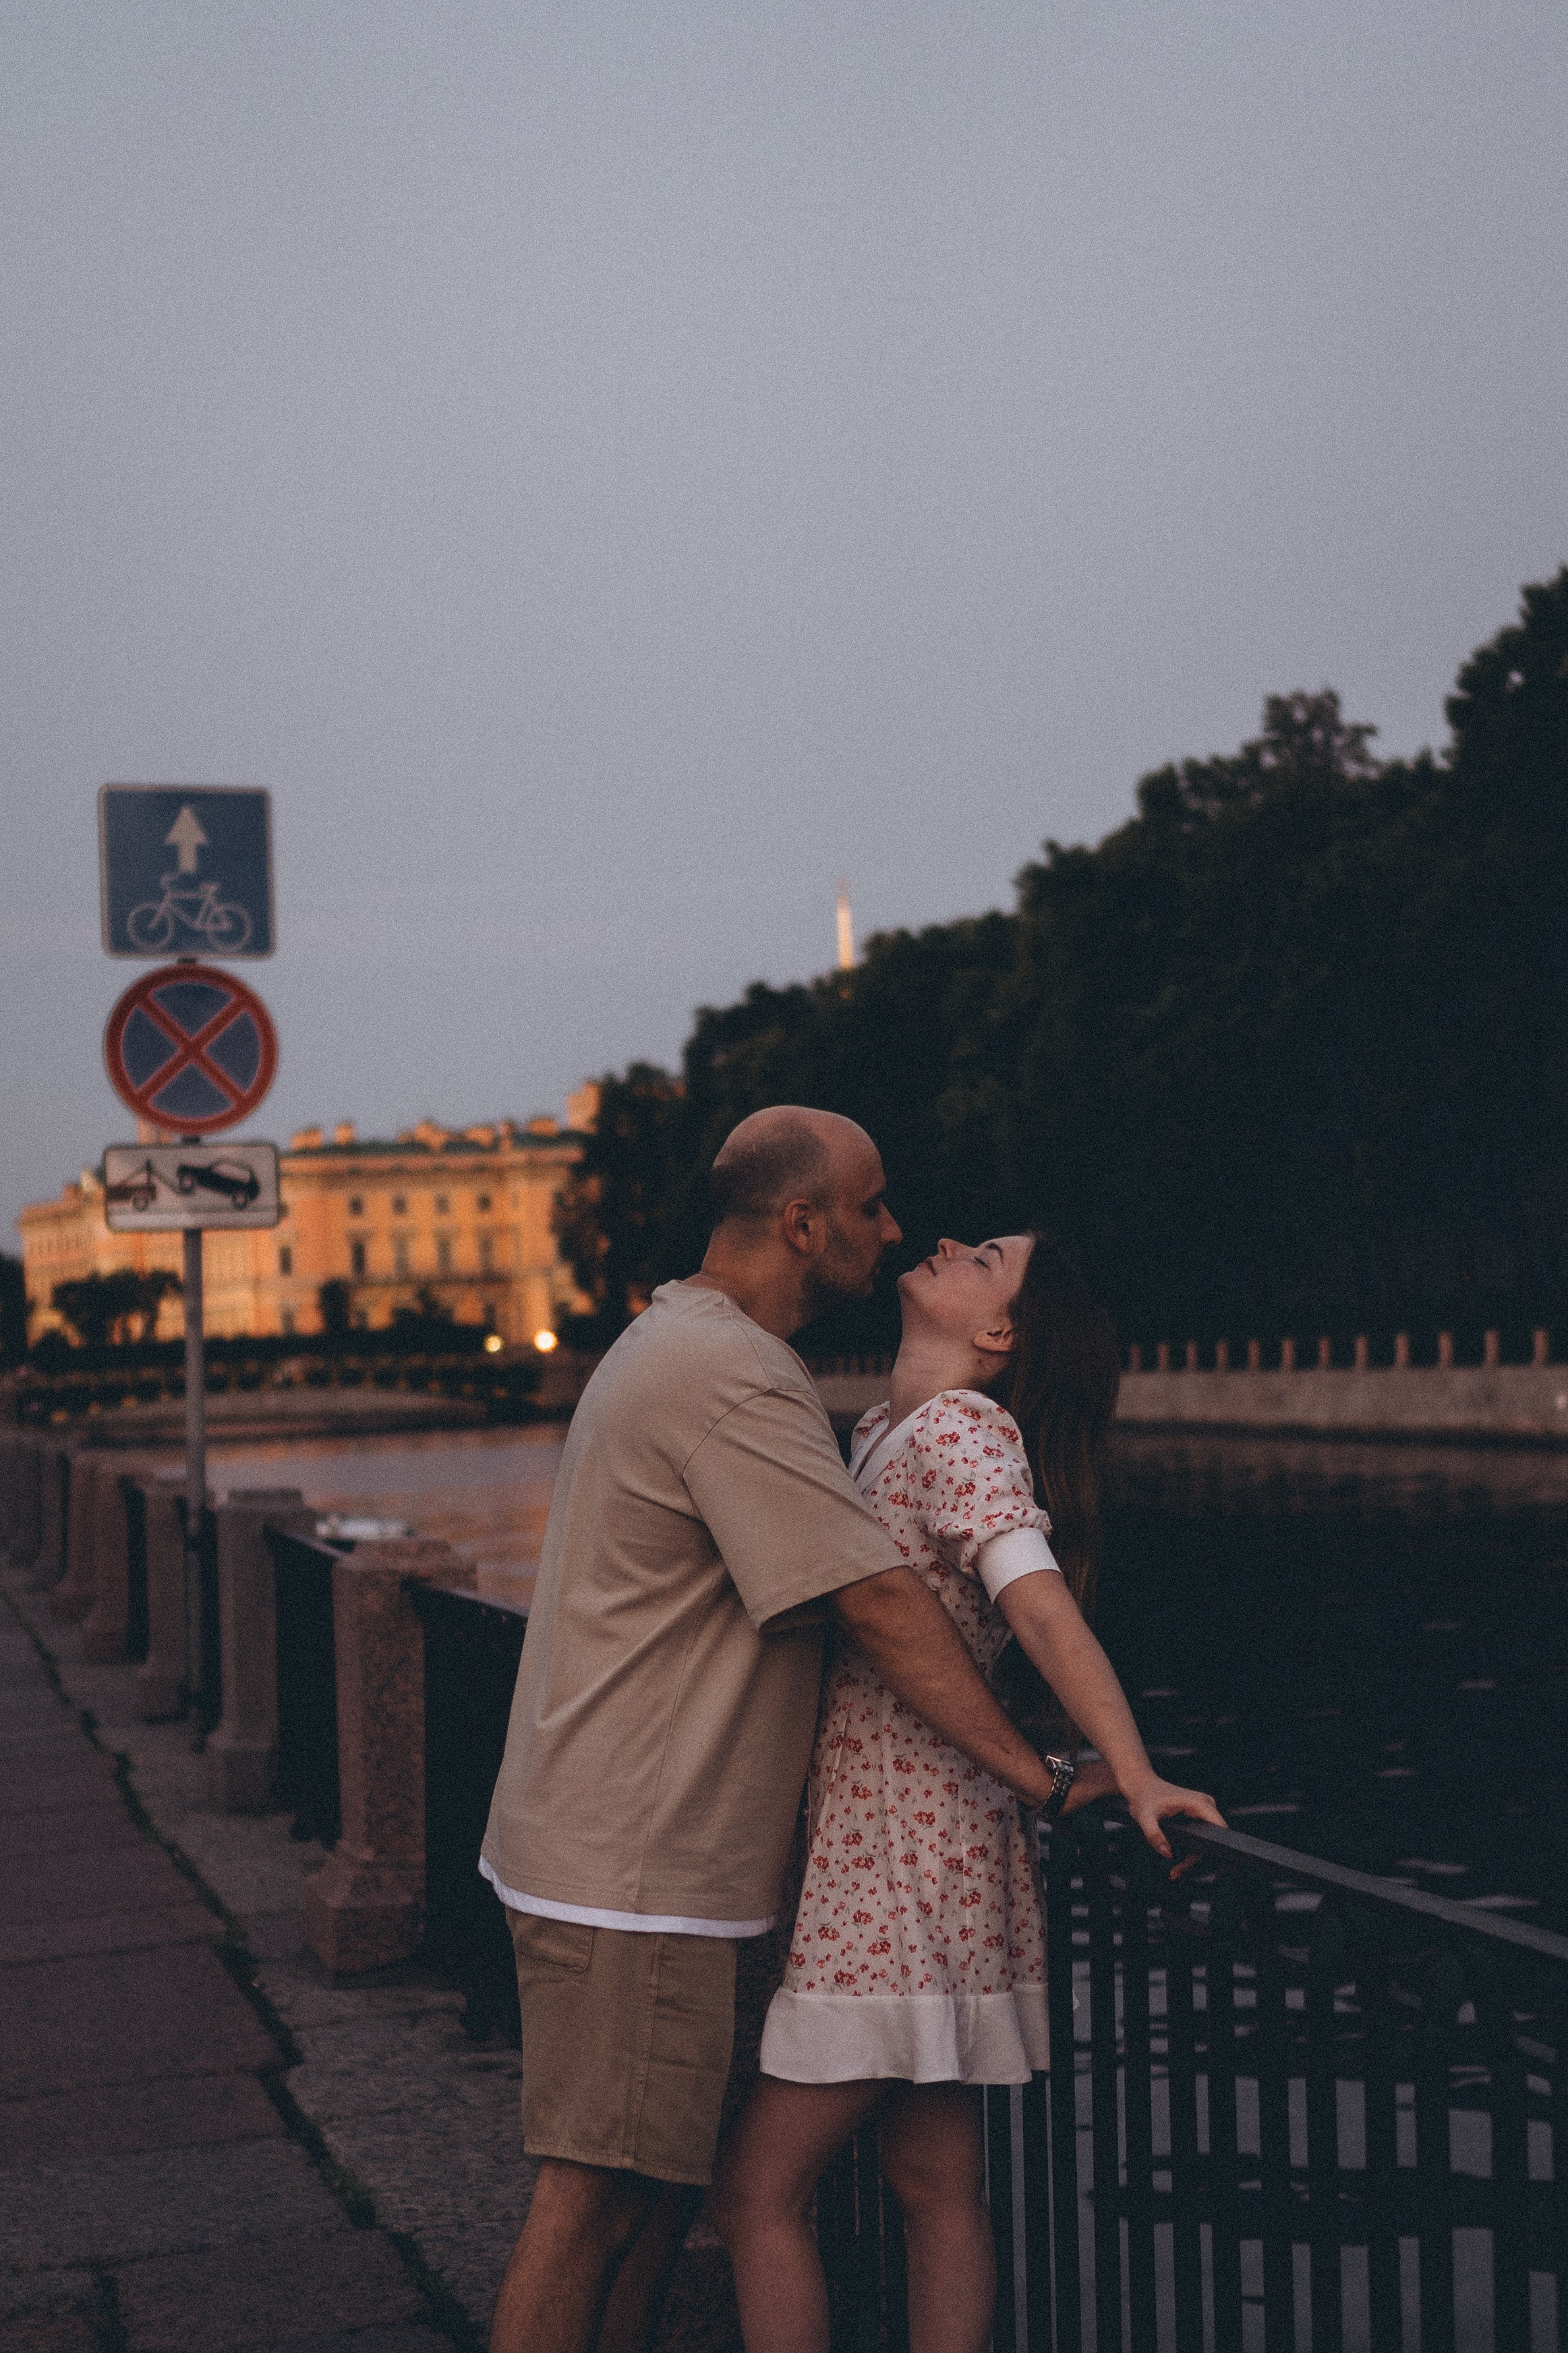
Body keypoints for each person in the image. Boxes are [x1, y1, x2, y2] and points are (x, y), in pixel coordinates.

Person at [479, 1113, 1079, 2353]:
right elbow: (873, 1598)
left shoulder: (687, 1341)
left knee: (648, 2196)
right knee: (592, 2201)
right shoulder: (733, 1374)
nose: (896, 1228)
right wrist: (1042, 1776)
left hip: (637, 1856)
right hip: (635, 1869)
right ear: (802, 1225)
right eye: (870, 1206)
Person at [710, 1231, 1225, 2353]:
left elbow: (1039, 1608)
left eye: (985, 1256)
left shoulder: (958, 1429)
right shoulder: (884, 1432)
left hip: (898, 1861)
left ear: (997, 1334)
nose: (948, 1242)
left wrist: (1132, 1772)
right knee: (934, 2183)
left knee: (757, 2196)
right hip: (922, 1844)